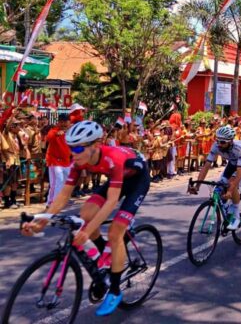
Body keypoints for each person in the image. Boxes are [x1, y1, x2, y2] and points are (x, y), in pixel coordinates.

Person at [21, 120, 150, 316]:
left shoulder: (113, 157)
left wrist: (87, 232)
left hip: (137, 180)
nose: (74, 152)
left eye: (79, 147)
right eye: (71, 147)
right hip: (119, 180)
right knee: (85, 214)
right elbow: (62, 197)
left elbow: (111, 202)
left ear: (96, 145)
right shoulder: (78, 162)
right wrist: (41, 223)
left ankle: (114, 290)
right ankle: (104, 257)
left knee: (115, 232)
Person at [188, 126, 241, 230]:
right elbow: (206, 166)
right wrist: (197, 186)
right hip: (232, 163)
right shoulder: (216, 146)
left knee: (231, 184)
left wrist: (230, 190)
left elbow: (239, 174)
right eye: (217, 140)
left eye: (222, 142)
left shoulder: (239, 149)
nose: (219, 144)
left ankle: (236, 217)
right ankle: (227, 210)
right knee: (218, 189)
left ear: (230, 141)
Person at [45, 113, 71, 207]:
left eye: (65, 121)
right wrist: (57, 134)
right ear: (58, 122)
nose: (63, 124)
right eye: (61, 122)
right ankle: (53, 203)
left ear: (69, 122)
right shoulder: (53, 130)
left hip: (66, 161)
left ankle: (60, 200)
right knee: (56, 182)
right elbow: (48, 138)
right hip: (55, 161)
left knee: (66, 182)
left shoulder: (71, 132)